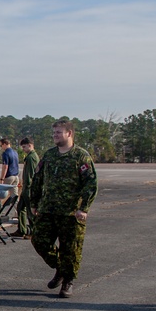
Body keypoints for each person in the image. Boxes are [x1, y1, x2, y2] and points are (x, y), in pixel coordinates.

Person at [28, 119, 98, 298]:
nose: (55, 136)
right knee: (39, 241)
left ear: (69, 133)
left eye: (58, 133)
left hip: (71, 212)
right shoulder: (49, 155)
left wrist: (84, 208)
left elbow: (90, 183)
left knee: (71, 249)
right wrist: (34, 203)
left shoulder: (81, 156)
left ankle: (68, 281)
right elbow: (37, 179)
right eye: (53, 133)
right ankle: (60, 267)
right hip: (48, 209)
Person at [11, 137, 40, 238]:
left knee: (30, 211)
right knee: (20, 208)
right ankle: (22, 229)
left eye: (24, 147)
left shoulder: (31, 158)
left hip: (29, 188)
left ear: (30, 145)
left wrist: (27, 187)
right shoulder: (31, 156)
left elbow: (30, 175)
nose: (23, 149)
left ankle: (32, 232)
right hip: (26, 188)